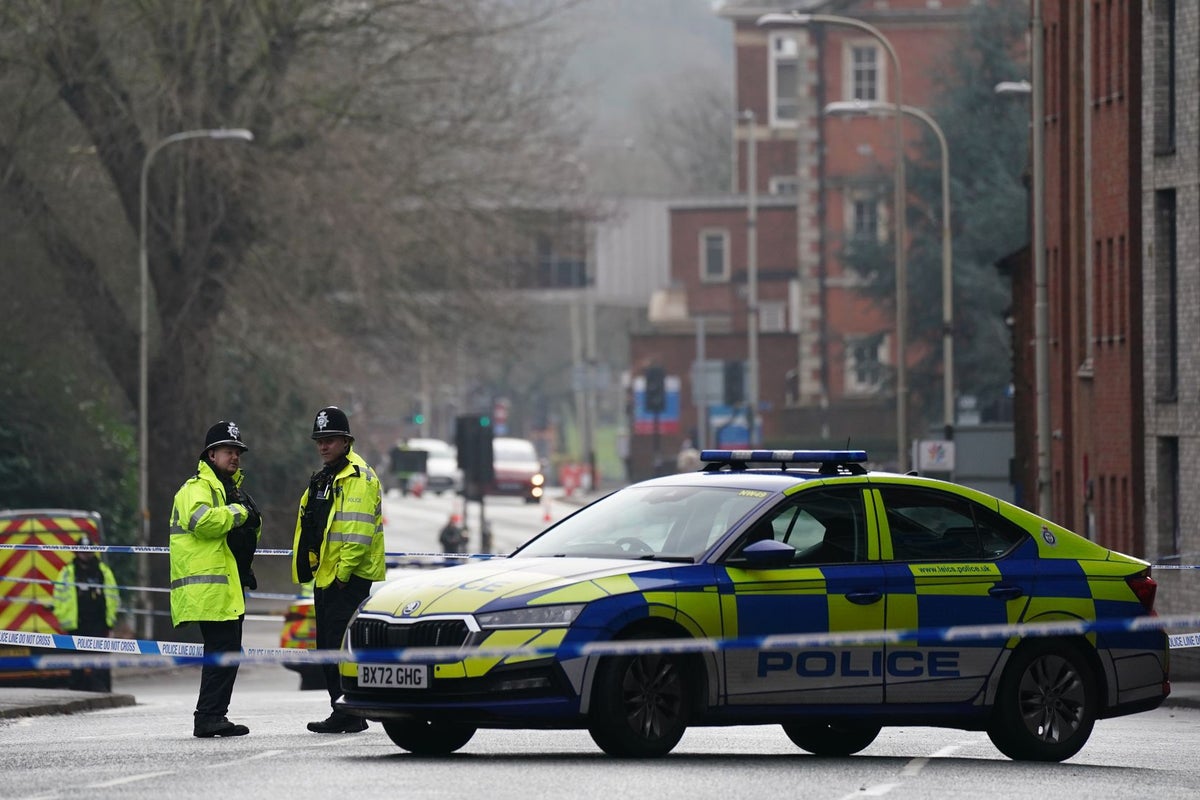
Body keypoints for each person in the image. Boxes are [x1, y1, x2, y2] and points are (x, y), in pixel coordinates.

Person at [293, 406, 385, 734]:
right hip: (328, 576)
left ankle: (348, 712)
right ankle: (343, 709)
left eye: (330, 440)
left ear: (346, 441)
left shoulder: (358, 477)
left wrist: (342, 576)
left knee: (339, 647)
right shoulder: (325, 477)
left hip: (346, 579)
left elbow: (357, 536)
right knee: (328, 649)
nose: (323, 446)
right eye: (319, 440)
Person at [169, 420, 261, 738]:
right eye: (227, 451)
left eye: (237, 451)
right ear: (211, 455)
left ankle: (214, 715)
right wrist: (239, 513)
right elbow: (203, 522)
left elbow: (242, 533)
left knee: (227, 652)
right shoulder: (196, 489)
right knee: (222, 651)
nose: (234, 456)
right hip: (209, 589)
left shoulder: (228, 491)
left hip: (226, 587)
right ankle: (208, 717)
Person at [52, 539, 120, 692]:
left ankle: (102, 690)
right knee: (77, 662)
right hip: (77, 624)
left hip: (99, 623)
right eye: (83, 551)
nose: (86, 554)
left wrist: (110, 622)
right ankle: (77, 690)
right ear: (77, 552)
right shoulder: (68, 572)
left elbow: (113, 595)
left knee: (101, 661)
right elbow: (59, 598)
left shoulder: (102, 571)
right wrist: (64, 619)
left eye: (88, 550)